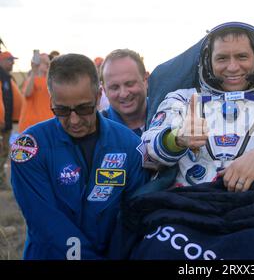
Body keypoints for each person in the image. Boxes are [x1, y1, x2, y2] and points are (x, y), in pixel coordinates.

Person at [10, 53, 147, 259]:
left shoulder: (130, 146)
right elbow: (45, 222)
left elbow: (133, 217)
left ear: (98, 96)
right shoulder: (28, 148)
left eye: (84, 108)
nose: (74, 120)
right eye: (62, 110)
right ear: (52, 99)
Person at [141, 22, 254, 191]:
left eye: (242, 56)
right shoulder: (182, 100)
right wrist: (176, 139)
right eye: (222, 58)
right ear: (207, 62)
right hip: (189, 204)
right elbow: (146, 148)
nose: (232, 67)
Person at [100, 49, 149, 137]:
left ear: (145, 80)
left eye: (129, 84)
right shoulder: (96, 129)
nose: (123, 94)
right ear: (104, 89)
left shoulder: (171, 114)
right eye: (114, 87)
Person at [0, 51, 23, 189]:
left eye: (12, 60)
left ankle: (1, 180)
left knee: (4, 151)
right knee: (2, 151)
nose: (12, 62)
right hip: (1, 123)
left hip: (6, 123)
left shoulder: (7, 77)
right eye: (9, 60)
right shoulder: (1, 77)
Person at [18, 53, 53, 132]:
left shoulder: (52, 81)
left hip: (48, 125)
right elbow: (27, 94)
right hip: (30, 126)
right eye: (44, 62)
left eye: (48, 62)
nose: (47, 64)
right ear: (37, 64)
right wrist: (34, 71)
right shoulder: (31, 80)